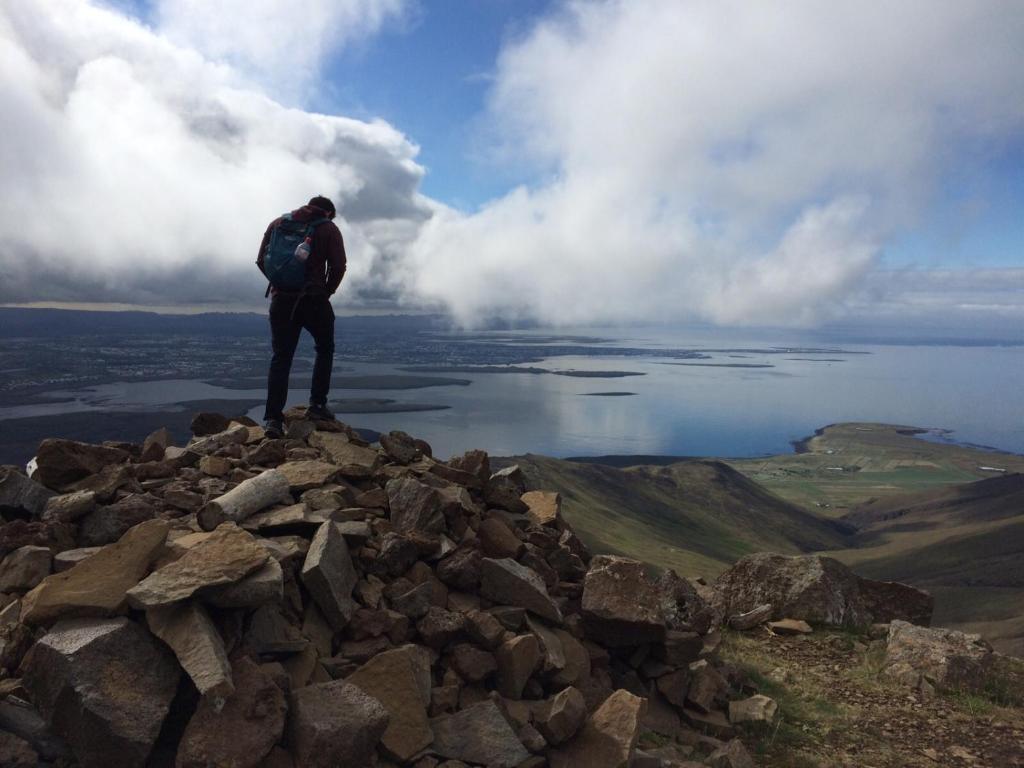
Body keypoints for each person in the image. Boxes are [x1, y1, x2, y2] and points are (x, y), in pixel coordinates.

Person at [256, 196, 346, 438]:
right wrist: (326, 291)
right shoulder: (328, 229)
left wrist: (279, 283)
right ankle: (317, 405)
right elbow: (338, 266)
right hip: (314, 299)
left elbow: (261, 260)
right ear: (328, 213)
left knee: (281, 358)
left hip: (281, 301)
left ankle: (273, 420)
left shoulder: (278, 224)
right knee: (325, 348)